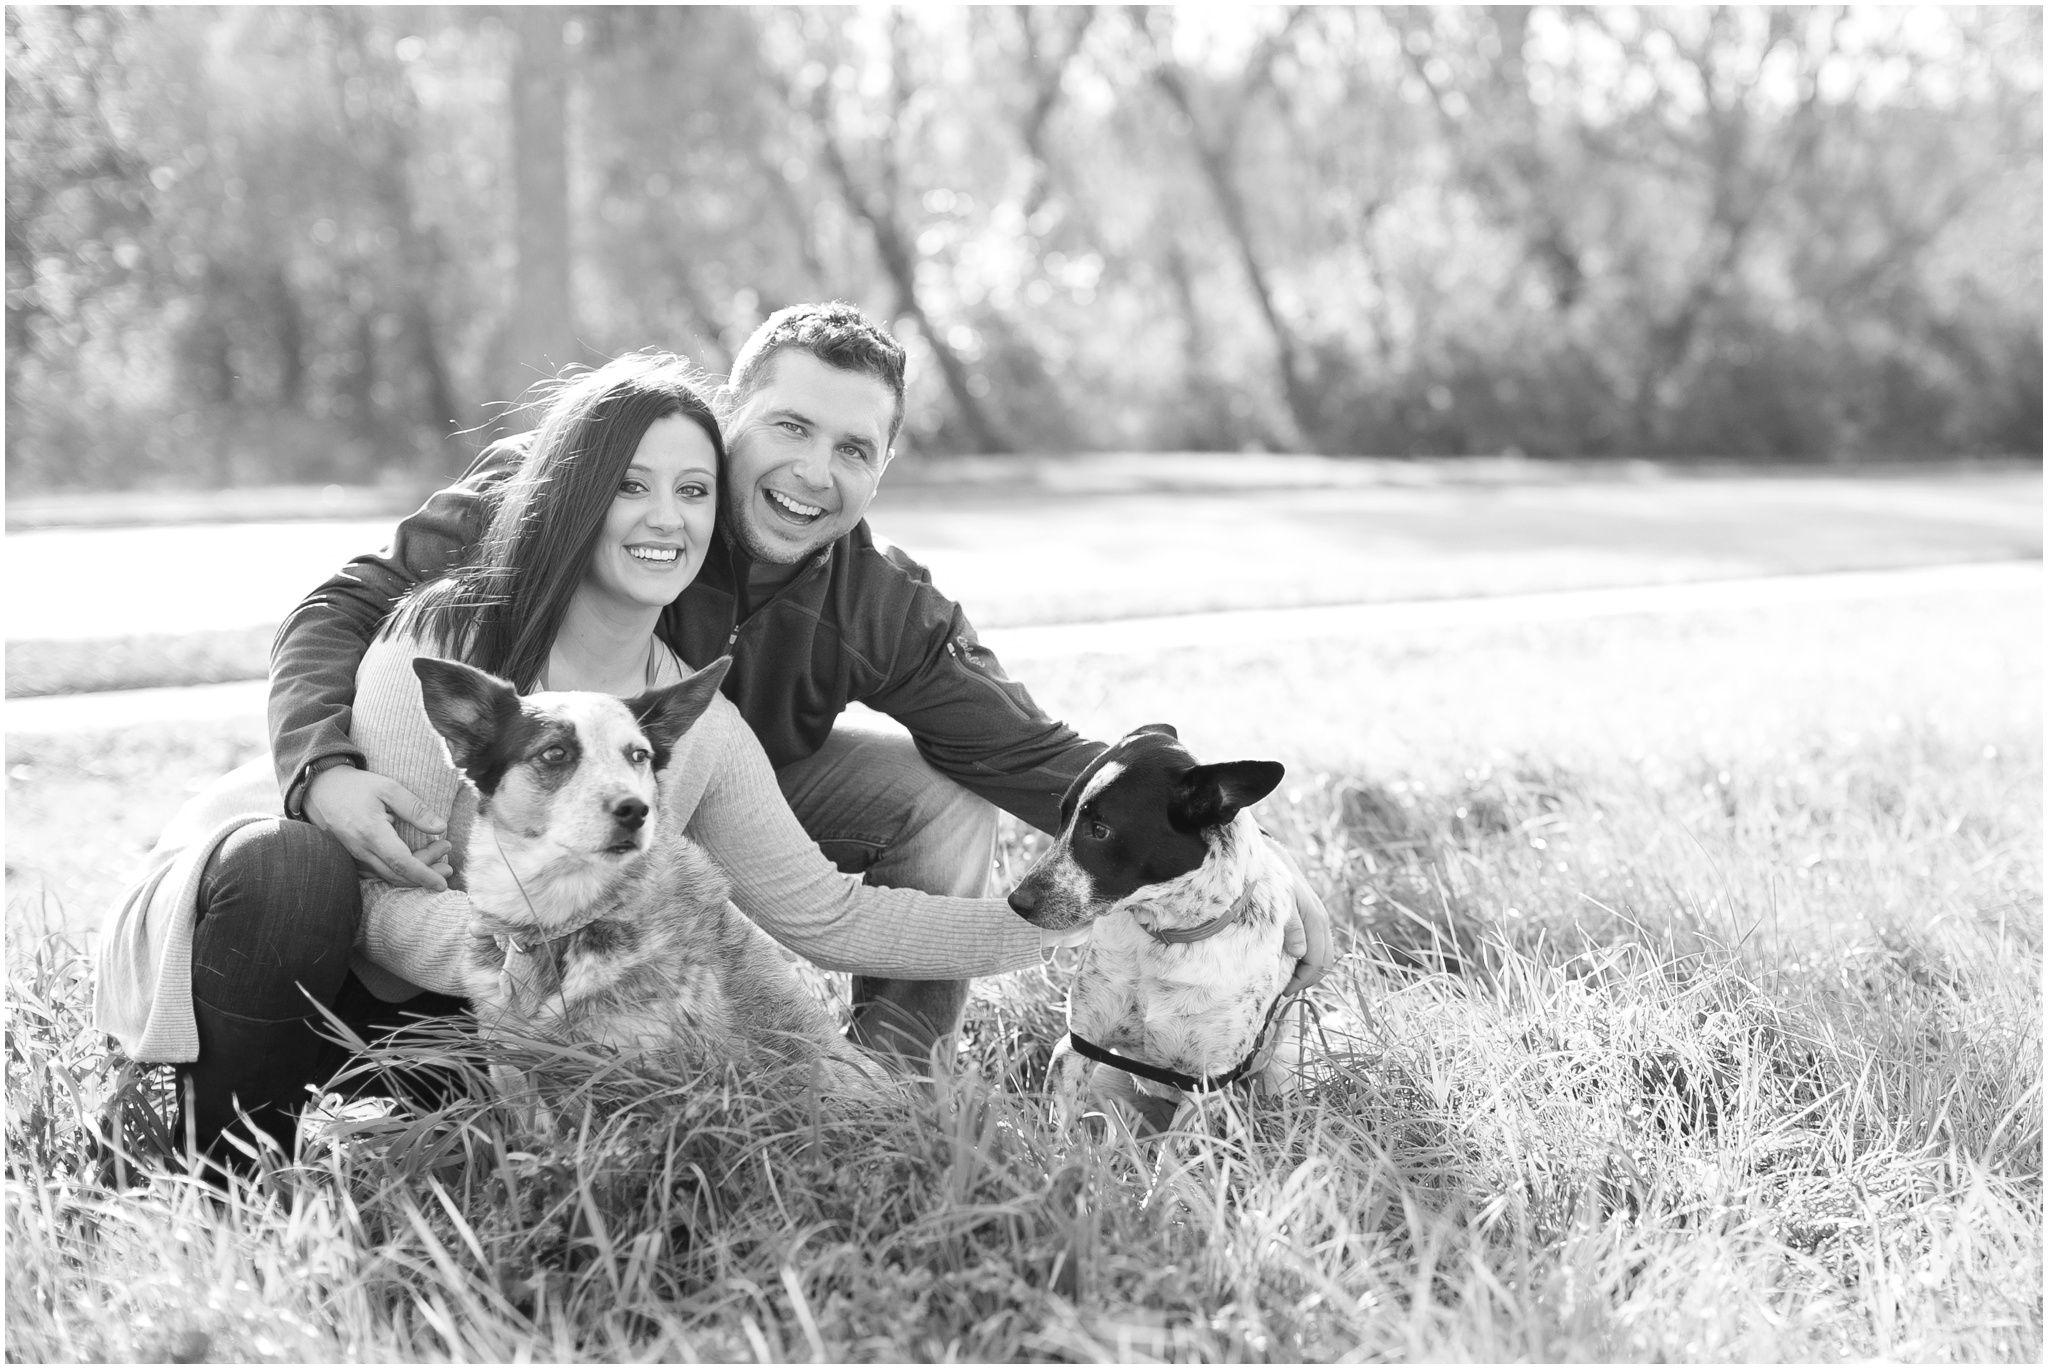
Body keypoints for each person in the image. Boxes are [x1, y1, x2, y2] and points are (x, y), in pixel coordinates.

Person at [269, 302, 1334, 1069]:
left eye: (852, 448)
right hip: (494, 813)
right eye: (788, 426)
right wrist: (320, 764)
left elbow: (1036, 757)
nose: (813, 472)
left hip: (731, 794)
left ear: (882, 468)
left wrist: (1246, 861)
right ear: (730, 411)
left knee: (939, 790)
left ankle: (889, 1069)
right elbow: (343, 612)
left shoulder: (882, 602)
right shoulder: (573, 485)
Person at [97, 353, 1058, 1166]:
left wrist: (1063, 927)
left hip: (476, 1025)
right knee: (295, 870)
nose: (665, 518)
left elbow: (826, 912)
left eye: (689, 492)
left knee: (608, 1067)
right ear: (573, 496)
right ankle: (212, 1164)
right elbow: (375, 891)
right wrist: (566, 941)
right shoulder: (442, 644)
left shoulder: (691, 717)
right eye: (629, 486)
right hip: (306, 952)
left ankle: (412, 1125)